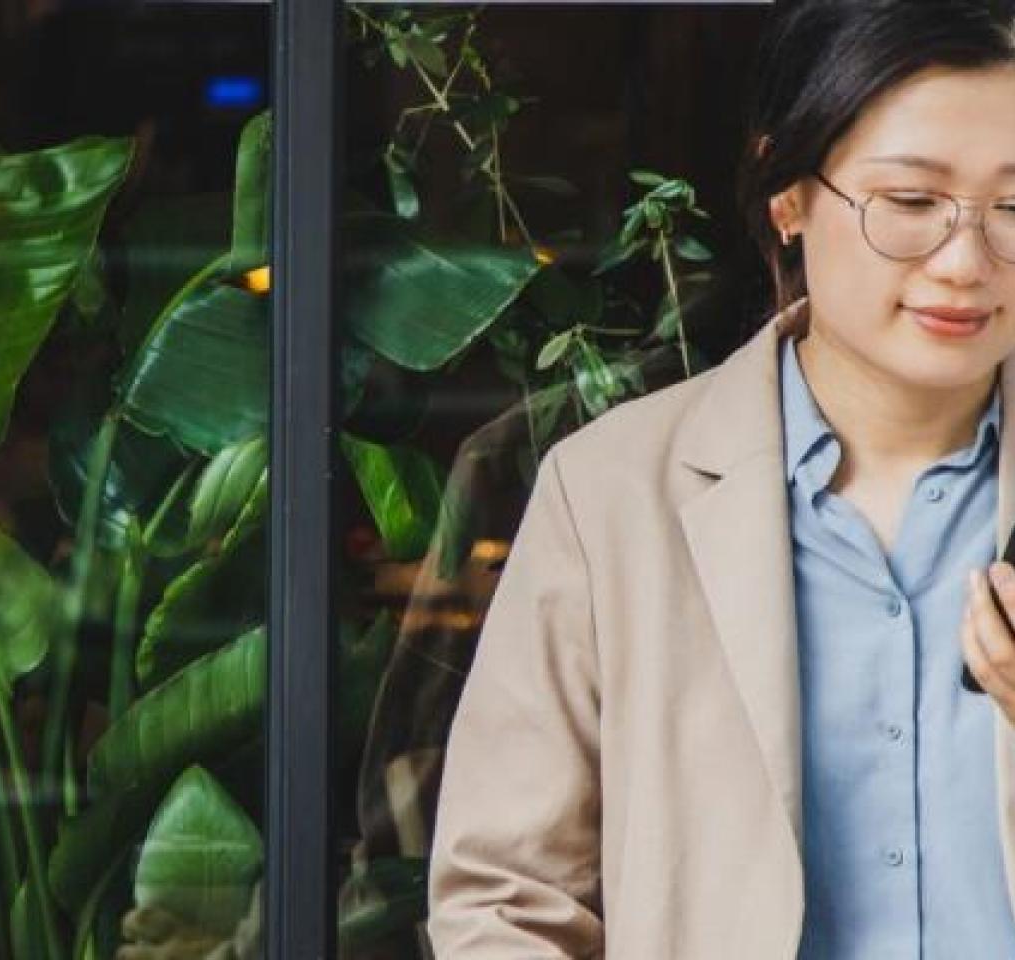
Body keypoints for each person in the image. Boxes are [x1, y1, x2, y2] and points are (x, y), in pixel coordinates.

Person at [427, 1, 1015, 957]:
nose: (967, 261)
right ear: (788, 194)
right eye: (910, 204)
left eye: (1013, 208)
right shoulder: (611, 494)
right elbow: (505, 896)